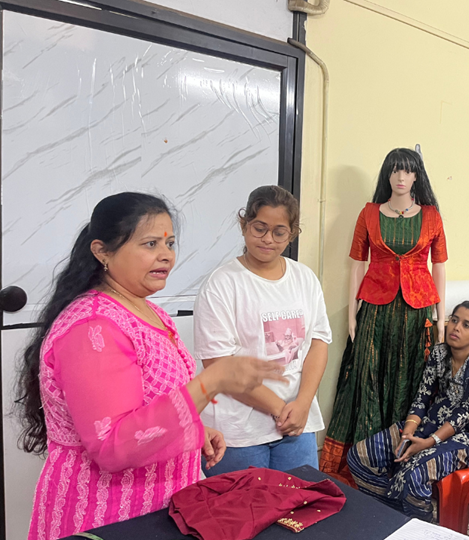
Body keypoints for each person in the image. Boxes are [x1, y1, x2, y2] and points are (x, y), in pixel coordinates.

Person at [16, 193, 284, 540]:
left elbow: (150, 404)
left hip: (160, 506)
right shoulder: (93, 327)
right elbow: (112, 446)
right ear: (102, 252)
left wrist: (193, 430)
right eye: (150, 243)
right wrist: (212, 381)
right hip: (108, 516)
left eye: (169, 243)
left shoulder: (148, 312)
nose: (166, 255)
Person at [322, 148, 448, 483]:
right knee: (369, 376)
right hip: (375, 308)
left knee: (411, 378)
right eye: (394, 170)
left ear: (417, 176)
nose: (400, 177)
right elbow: (356, 264)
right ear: (386, 175)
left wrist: (441, 318)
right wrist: (352, 314)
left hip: (417, 310)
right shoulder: (369, 213)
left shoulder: (432, 216)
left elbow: (439, 266)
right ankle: (365, 458)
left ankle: (402, 458)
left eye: (407, 171)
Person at [194, 186, 331, 474]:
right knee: (242, 503)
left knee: (303, 499)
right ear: (244, 225)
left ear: (292, 234)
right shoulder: (222, 283)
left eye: (279, 232)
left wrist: (303, 403)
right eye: (259, 228)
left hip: (297, 426)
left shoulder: (304, 278)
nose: (268, 239)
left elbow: (318, 342)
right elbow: (217, 364)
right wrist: (280, 409)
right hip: (238, 433)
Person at [347, 301, 469, 519]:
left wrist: (429, 442)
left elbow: (465, 413)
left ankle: (421, 526)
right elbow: (422, 396)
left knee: (414, 475)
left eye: (466, 325)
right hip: (431, 423)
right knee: (359, 456)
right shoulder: (439, 353)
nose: (456, 327)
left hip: (468, 437)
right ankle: (394, 514)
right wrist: (408, 432)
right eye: (454, 320)